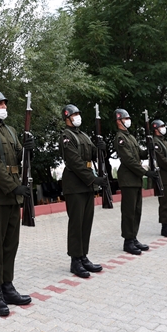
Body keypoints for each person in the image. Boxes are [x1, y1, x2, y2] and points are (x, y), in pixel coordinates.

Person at [0, 90, 34, 316]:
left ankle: (8, 285)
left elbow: (20, 157)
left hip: (13, 195)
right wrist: (13, 186)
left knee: (11, 243)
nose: (3, 107)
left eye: (4, 104)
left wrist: (29, 149)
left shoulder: (10, 131)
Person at [60, 104, 108, 278]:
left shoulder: (84, 136)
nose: (78, 116)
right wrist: (93, 179)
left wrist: (101, 148)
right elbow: (75, 162)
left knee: (86, 221)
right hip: (74, 184)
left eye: (79, 113)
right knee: (76, 223)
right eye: (75, 114)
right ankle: (75, 261)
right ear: (67, 117)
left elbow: (92, 155)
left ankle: (83, 256)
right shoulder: (66, 136)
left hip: (86, 184)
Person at [113, 108, 161, 255]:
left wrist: (149, 150)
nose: (128, 120)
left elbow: (139, 154)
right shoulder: (120, 138)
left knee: (137, 210)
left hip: (135, 179)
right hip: (128, 179)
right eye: (126, 118)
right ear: (119, 121)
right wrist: (146, 172)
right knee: (129, 212)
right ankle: (128, 241)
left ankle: (133, 237)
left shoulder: (131, 137)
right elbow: (129, 160)